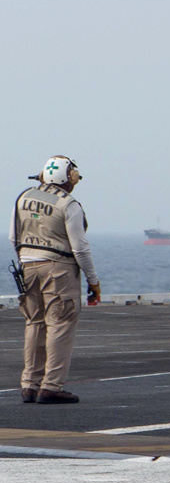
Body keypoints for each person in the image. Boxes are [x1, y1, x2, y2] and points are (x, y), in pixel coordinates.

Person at [9, 156, 101, 404]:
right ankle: (51, 386)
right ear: (68, 177)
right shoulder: (69, 205)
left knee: (34, 323)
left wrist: (27, 260)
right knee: (59, 325)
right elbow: (80, 249)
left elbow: (12, 237)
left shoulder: (24, 197)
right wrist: (93, 281)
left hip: (27, 266)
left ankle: (29, 384)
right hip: (59, 269)